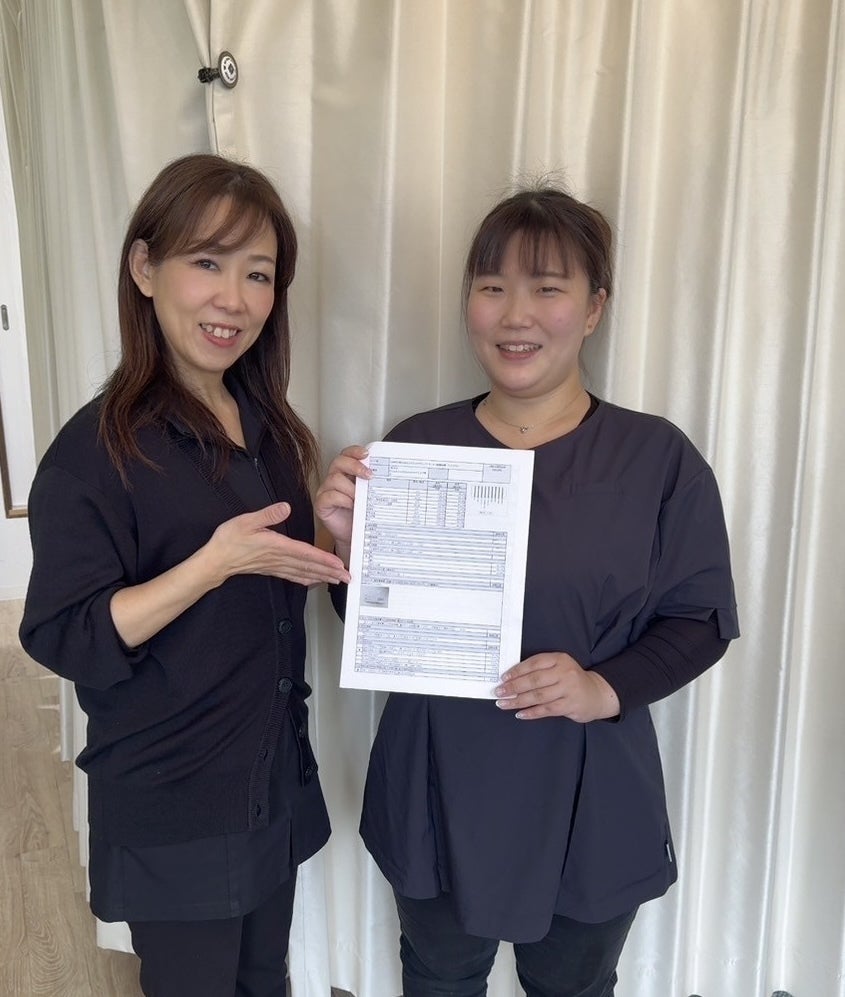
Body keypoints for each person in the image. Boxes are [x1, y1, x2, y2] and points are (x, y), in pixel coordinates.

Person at [315, 185, 738, 997]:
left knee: (573, 985)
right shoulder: (416, 447)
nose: (515, 314)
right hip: (437, 778)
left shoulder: (656, 457)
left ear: (593, 308)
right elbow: (376, 626)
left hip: (590, 782)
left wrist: (601, 686)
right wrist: (345, 546)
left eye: (547, 287)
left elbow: (700, 617)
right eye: (492, 286)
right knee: (437, 976)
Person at [19, 153, 350, 997]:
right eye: (207, 262)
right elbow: (64, 633)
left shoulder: (267, 424)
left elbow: (276, 576)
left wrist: (333, 527)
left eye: (258, 274)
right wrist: (210, 566)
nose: (233, 299)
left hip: (268, 776)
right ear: (144, 267)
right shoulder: (95, 451)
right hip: (174, 801)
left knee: (264, 978)